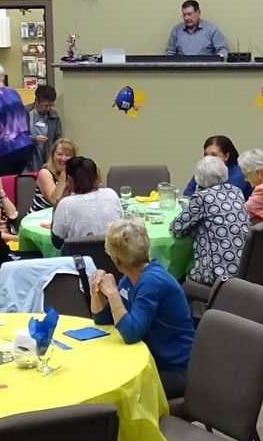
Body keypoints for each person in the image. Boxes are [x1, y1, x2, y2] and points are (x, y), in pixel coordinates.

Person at [91, 219, 195, 399]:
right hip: (151, 360)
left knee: (113, 389)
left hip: (173, 369)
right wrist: (97, 290)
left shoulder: (151, 282)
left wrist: (113, 294)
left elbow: (131, 333)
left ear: (116, 259)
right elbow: (103, 320)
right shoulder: (132, 277)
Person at [170, 156, 250, 285]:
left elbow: (176, 229)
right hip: (243, 269)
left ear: (198, 178)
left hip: (216, 273)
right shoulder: (236, 191)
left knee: (179, 273)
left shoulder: (202, 198)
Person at [50, 156, 123, 248]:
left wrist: (56, 206)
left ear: (69, 180)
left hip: (80, 260)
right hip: (114, 258)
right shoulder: (111, 194)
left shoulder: (66, 204)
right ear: (96, 176)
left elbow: (57, 243)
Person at [182, 135, 251, 198]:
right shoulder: (203, 170)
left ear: (226, 156)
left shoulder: (240, 174)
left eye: (214, 155)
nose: (209, 159)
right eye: (206, 155)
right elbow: (187, 195)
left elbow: (224, 199)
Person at [31, 137, 77, 213]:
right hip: (40, 218)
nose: (63, 159)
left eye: (68, 155)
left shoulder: (75, 174)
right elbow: (54, 201)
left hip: (62, 217)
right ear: (52, 155)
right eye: (59, 154)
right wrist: (64, 176)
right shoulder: (45, 173)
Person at [26, 84, 63, 170]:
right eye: (46, 105)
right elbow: (17, 137)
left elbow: (58, 138)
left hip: (46, 159)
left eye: (51, 105)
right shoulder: (24, 113)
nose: (48, 108)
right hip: (27, 160)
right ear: (36, 101)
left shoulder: (54, 116)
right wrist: (33, 139)